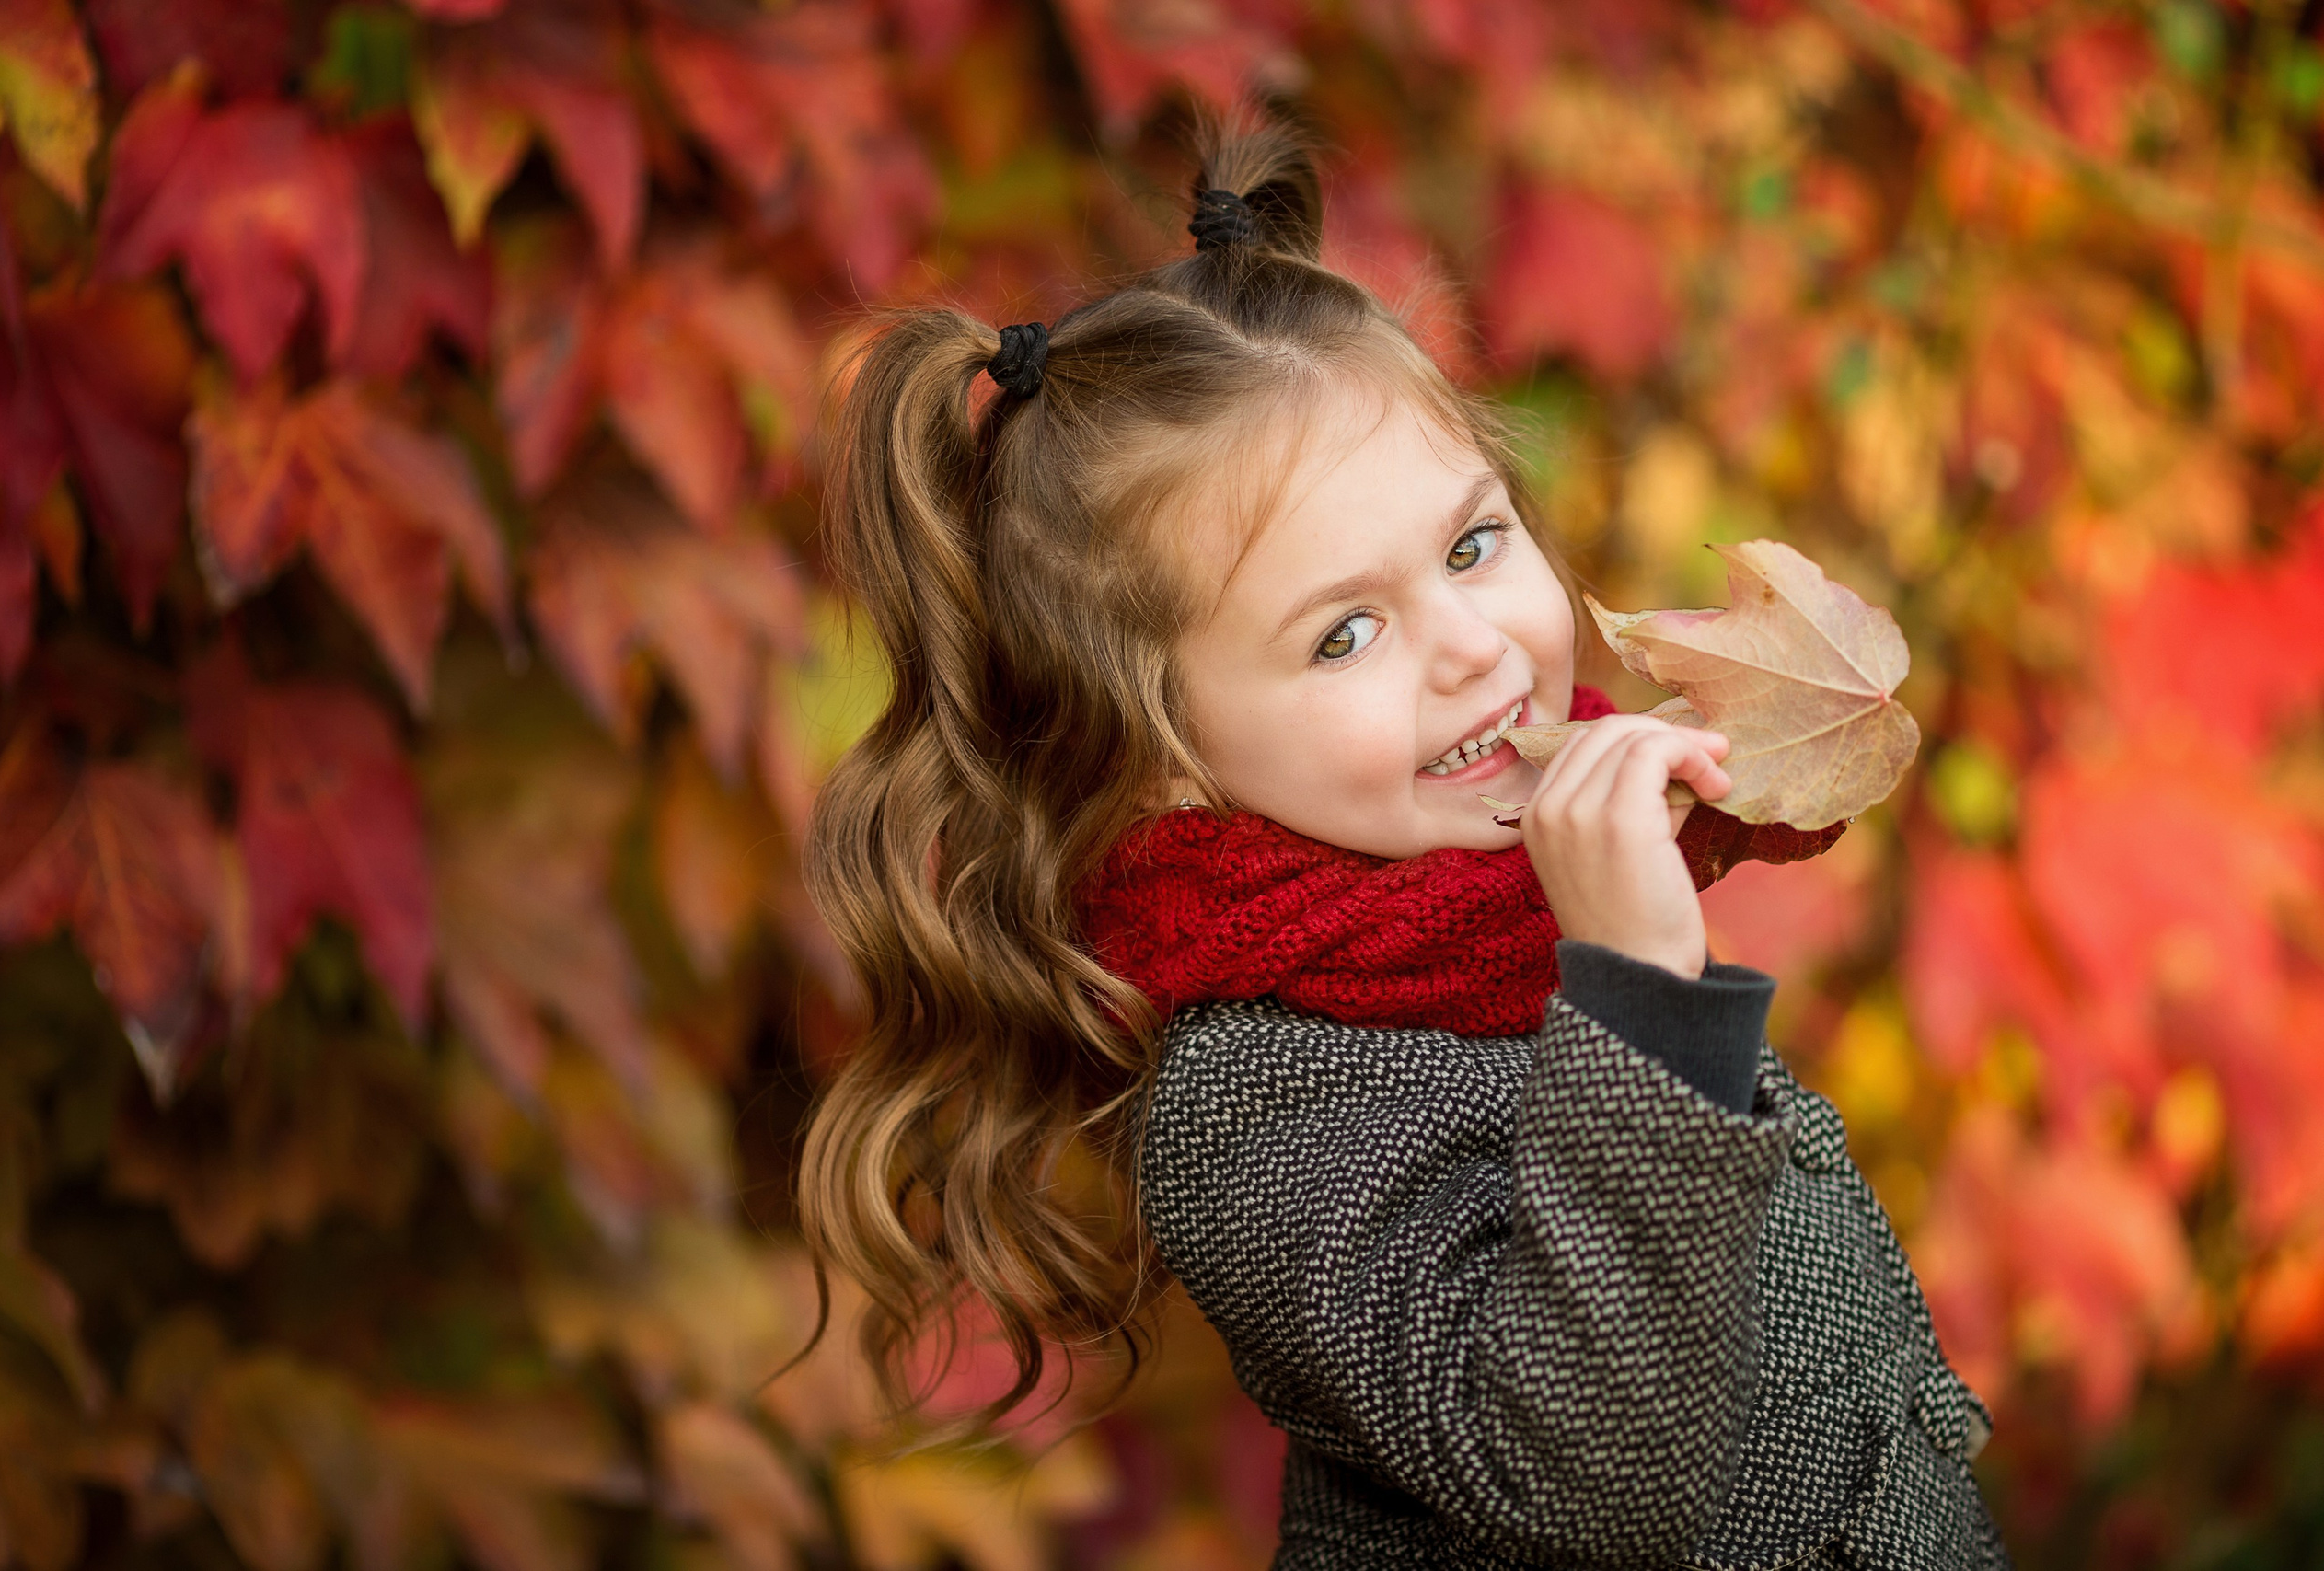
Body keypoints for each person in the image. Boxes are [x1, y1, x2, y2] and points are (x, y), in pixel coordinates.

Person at [796, 121, 2010, 1568]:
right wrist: (1640, 1000)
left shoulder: (1508, 916)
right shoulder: (1253, 1107)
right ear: (1163, 769)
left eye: (1472, 547)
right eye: (1345, 634)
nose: (1472, 647)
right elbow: (1601, 1483)